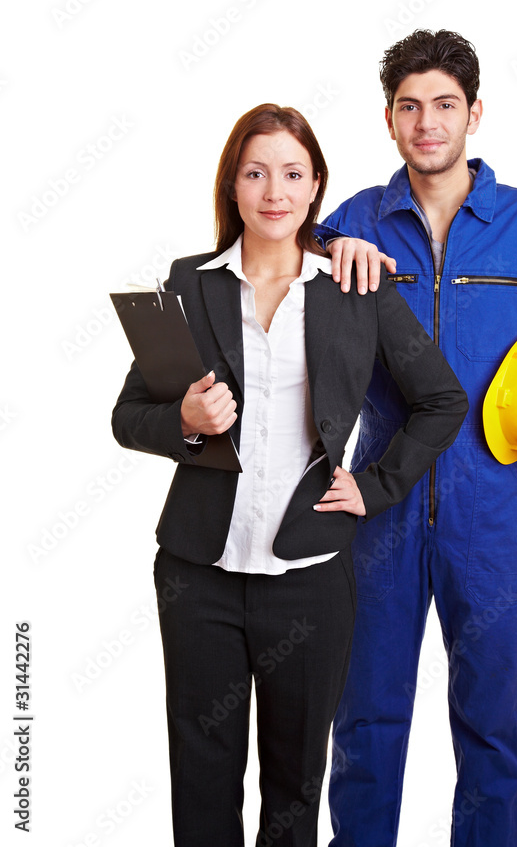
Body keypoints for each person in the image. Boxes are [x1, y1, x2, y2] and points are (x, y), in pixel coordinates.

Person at [111, 103, 468, 847]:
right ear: (232, 186)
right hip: (197, 573)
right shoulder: (189, 283)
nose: (274, 191)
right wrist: (185, 420)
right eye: (255, 173)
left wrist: (375, 486)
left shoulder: (354, 287)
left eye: (292, 174)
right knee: (202, 777)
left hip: (310, 575)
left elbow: (440, 400)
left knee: (294, 788)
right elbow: (128, 416)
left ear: (314, 189)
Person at [320, 30, 517, 847]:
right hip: (377, 507)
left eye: (444, 105)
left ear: (474, 113)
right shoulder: (357, 220)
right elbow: (277, 269)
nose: (426, 123)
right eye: (408, 107)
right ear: (388, 120)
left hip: (491, 512)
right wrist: (328, 245)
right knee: (364, 723)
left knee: (493, 724)